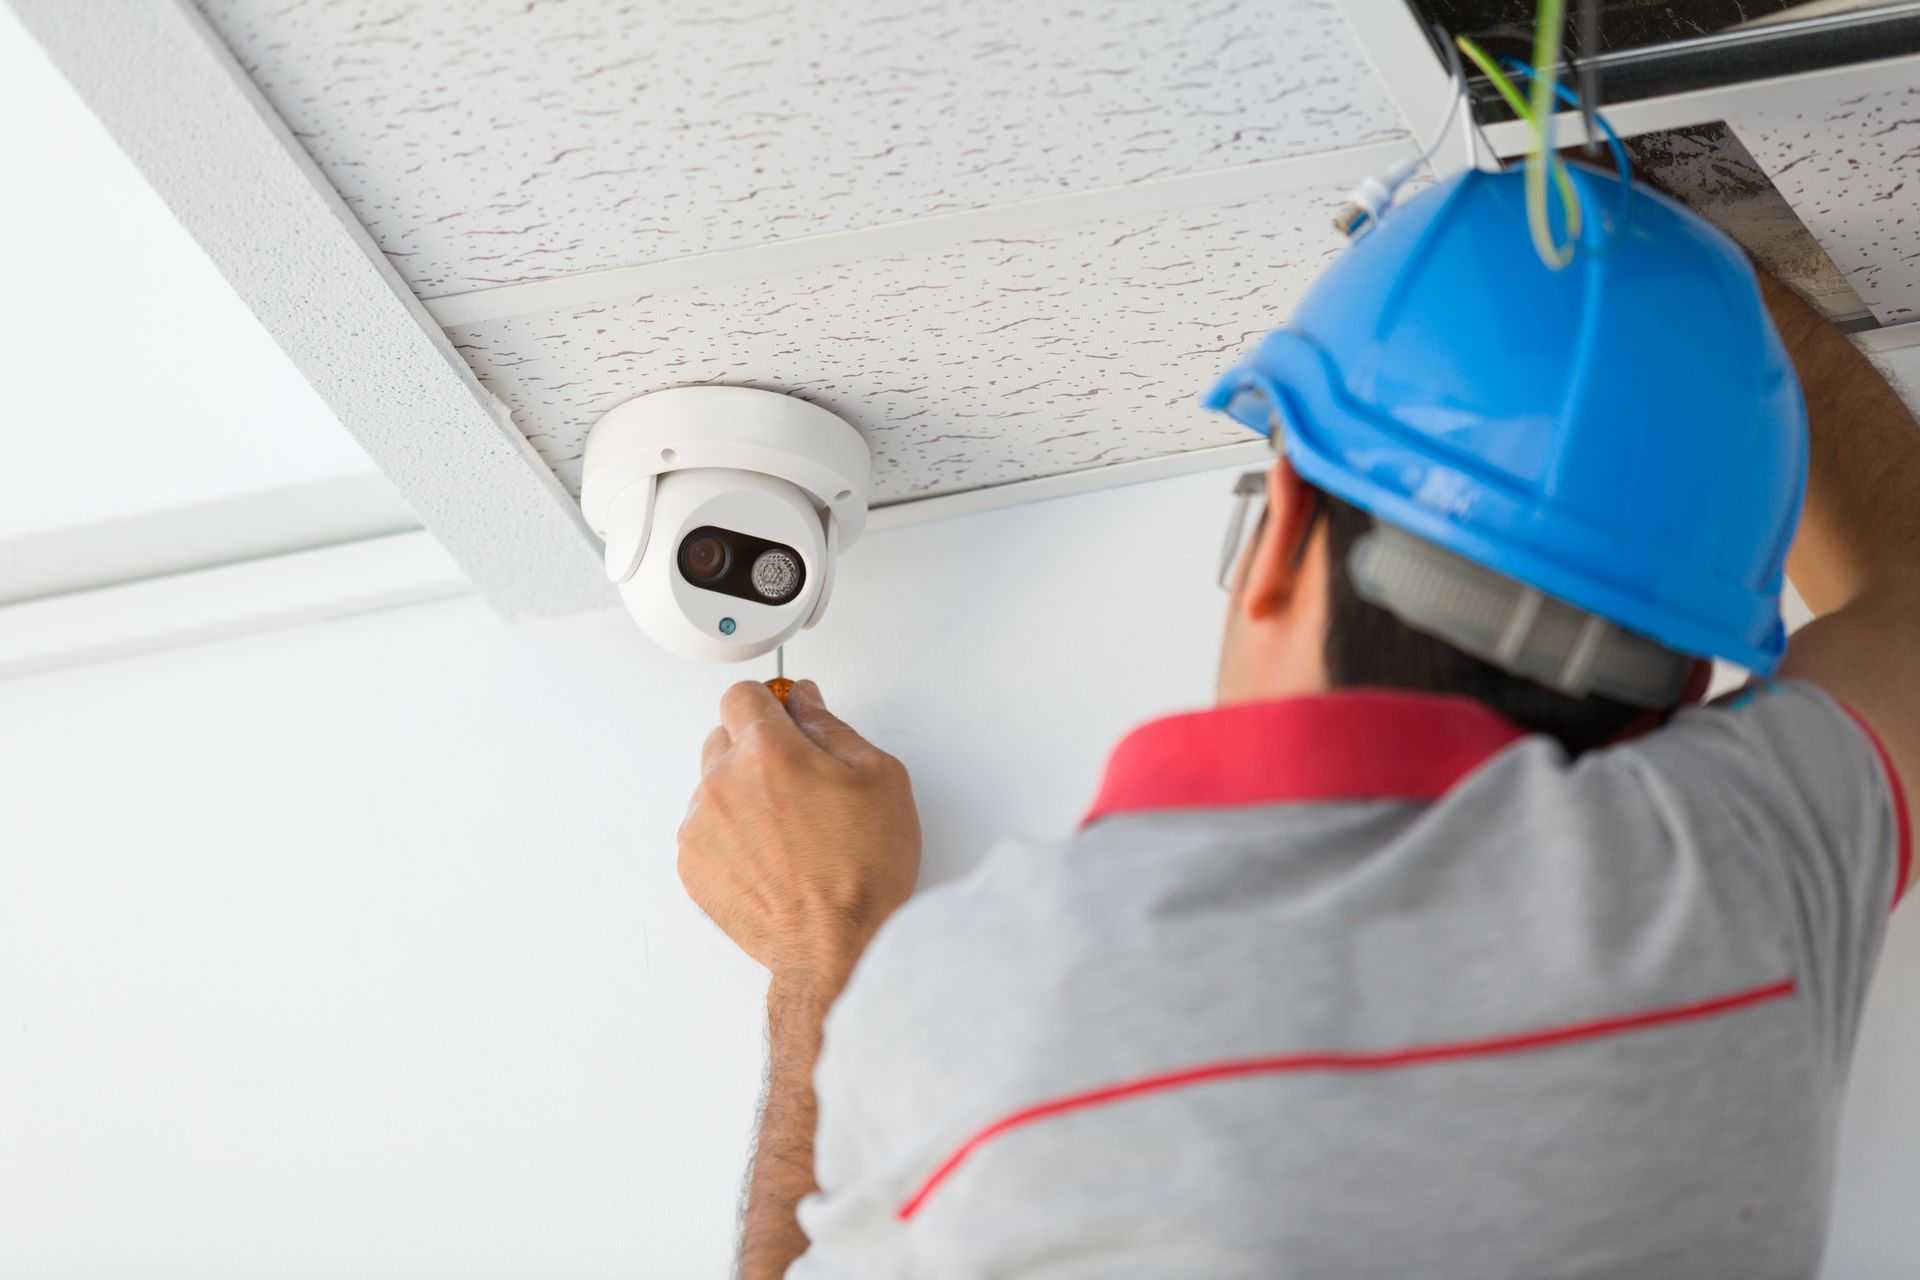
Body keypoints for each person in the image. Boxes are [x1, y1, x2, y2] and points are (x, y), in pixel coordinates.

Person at [676, 165, 1917, 1277]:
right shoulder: (1733, 878)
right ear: (1694, 684)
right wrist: (1685, 299)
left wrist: (823, 948)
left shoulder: (982, 1000)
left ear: (1271, 539)